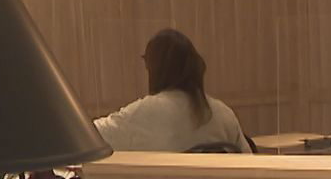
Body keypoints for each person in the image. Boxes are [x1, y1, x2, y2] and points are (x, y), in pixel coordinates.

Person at [94, 29, 250, 153]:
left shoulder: (146, 112)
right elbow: (247, 161)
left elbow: (93, 137)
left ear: (154, 69)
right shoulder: (224, 113)